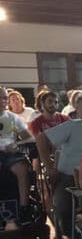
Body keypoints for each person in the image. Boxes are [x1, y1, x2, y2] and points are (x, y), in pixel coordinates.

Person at [36, 97, 82, 239]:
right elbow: (41, 139)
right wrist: (50, 168)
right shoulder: (74, 126)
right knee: (63, 209)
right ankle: (72, 236)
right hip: (69, 176)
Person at [0, 87, 34, 223]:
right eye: (1, 98)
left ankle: (24, 208)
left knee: (23, 169)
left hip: (10, 153)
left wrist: (17, 145)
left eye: (4, 98)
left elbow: (30, 138)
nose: (3, 101)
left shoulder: (12, 117)